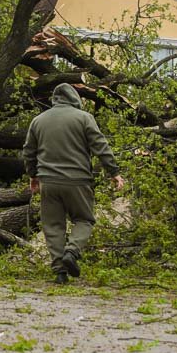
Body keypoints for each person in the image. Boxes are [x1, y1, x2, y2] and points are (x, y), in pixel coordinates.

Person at [22, 83, 124, 283]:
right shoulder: (84, 118)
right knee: (84, 220)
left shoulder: (38, 121)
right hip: (78, 180)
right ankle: (72, 251)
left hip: (48, 181)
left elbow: (28, 152)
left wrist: (33, 175)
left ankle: (60, 271)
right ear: (74, 98)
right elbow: (100, 145)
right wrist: (114, 171)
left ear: (55, 99)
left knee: (53, 225)